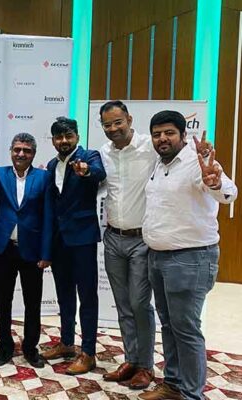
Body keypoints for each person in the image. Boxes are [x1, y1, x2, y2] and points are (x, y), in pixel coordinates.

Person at [139, 111, 237, 400]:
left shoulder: (197, 163)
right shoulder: (159, 164)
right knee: (169, 326)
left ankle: (192, 394)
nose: (162, 139)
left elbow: (228, 192)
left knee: (186, 329)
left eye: (169, 133)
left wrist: (215, 182)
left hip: (190, 259)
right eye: (157, 134)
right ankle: (173, 384)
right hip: (158, 257)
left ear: (183, 135)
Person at [0, 133, 53, 368]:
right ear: (11, 151)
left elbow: (48, 217)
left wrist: (46, 253)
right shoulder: (0, 173)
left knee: (33, 303)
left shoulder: (44, 177)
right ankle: (5, 347)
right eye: (17, 149)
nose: (21, 154)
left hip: (32, 252)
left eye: (26, 151)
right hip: (4, 250)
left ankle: (30, 348)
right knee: (3, 302)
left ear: (34, 154)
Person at [98, 100, 156, 388]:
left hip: (141, 240)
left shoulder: (150, 147)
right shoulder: (104, 153)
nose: (113, 129)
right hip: (113, 239)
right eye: (107, 125)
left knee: (140, 303)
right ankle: (131, 359)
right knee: (123, 304)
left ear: (129, 119)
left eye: (118, 122)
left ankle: (146, 366)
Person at [42, 117, 106, 375]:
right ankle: (67, 343)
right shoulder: (51, 165)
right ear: (53, 140)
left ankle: (88, 353)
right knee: (64, 295)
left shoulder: (89, 157)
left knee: (87, 297)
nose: (64, 141)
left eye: (68, 135)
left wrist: (86, 171)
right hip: (60, 242)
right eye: (59, 137)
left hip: (83, 239)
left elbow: (99, 173)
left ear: (77, 136)